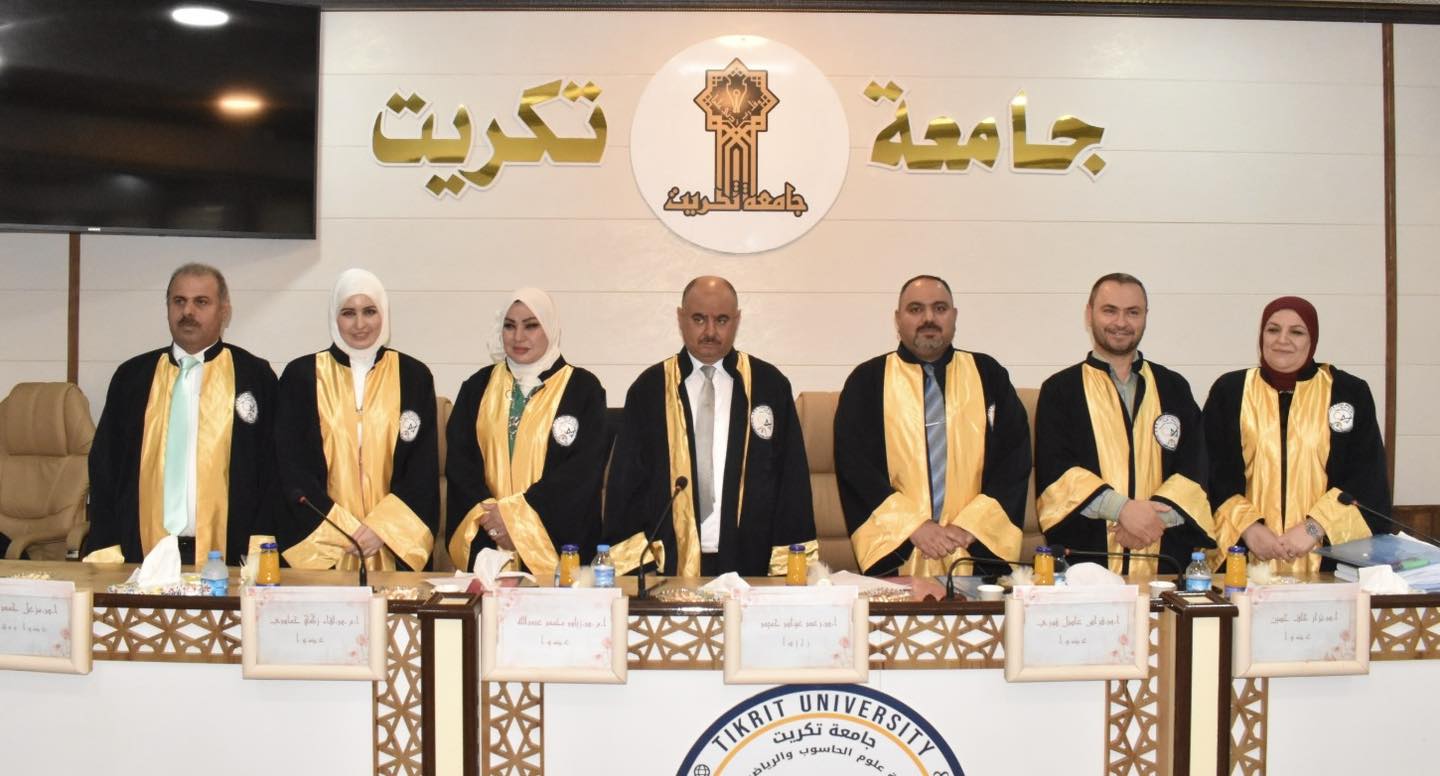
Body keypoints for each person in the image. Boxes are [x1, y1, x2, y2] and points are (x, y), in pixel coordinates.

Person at [604, 276, 816, 577]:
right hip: (667, 567)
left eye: (722, 320)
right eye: (699, 319)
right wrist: (638, 568)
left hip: (751, 566)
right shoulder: (649, 389)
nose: (710, 332)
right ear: (681, 318)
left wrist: (787, 568)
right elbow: (625, 488)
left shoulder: (769, 386)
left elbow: (791, 484)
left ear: (737, 320)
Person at [835, 275, 1030, 577]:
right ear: (897, 319)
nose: (929, 318)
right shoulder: (867, 381)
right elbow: (855, 466)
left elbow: (1014, 459)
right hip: (900, 550)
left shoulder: (988, 374)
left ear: (954, 316)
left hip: (971, 550)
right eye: (915, 309)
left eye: (940, 308)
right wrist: (914, 527)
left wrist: (970, 527)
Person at [86, 263, 278, 565]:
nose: (188, 311)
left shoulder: (255, 376)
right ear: (167, 308)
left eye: (201, 302)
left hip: (230, 555)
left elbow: (273, 471)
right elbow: (104, 468)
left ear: (224, 311)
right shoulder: (132, 378)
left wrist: (260, 549)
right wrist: (107, 544)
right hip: (140, 554)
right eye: (179, 301)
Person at [1035, 273, 1215, 575]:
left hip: (1164, 562)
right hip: (1086, 564)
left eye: (1133, 312)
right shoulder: (1060, 390)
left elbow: (1195, 469)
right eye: (1110, 311)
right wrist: (1122, 510)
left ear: (1145, 317)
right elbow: (1057, 474)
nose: (1121, 322)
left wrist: (1151, 521)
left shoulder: (1173, 387)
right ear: (1089, 313)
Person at [1204, 296, 1391, 575]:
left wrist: (1314, 527)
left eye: (1297, 332)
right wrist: (1248, 527)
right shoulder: (1230, 391)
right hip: (1245, 555)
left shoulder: (1348, 392)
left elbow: (1367, 477)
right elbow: (1210, 470)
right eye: (1273, 329)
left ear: (1312, 339)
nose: (1282, 340)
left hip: (1326, 558)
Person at [275, 269, 437, 572]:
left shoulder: (414, 376)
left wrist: (383, 528)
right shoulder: (302, 376)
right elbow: (291, 465)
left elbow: (422, 469)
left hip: (392, 544)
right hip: (323, 542)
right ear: (334, 317)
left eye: (369, 311)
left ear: (384, 313)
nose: (360, 324)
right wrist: (341, 527)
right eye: (348, 313)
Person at [444, 288, 606, 578]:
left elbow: (580, 473)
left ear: (550, 328)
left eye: (531, 326)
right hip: (488, 542)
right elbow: (461, 464)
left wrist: (515, 521)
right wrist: (493, 523)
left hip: (556, 546)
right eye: (509, 326)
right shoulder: (477, 388)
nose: (518, 337)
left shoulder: (583, 390)